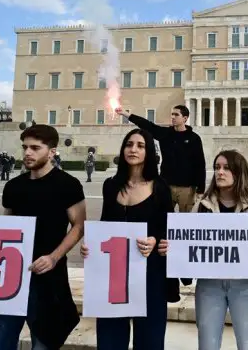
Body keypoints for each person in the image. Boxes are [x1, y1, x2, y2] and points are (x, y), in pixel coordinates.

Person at [0, 124, 87, 350]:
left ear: (52, 152)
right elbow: (3, 228)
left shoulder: (68, 185)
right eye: (25, 147)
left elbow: (79, 227)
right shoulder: (14, 187)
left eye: (35, 148)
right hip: (10, 276)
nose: (27, 153)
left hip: (46, 278)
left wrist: (54, 257)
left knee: (44, 342)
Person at [159, 150, 248, 350]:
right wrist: (173, 248)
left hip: (245, 285)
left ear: (239, 172)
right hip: (209, 285)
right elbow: (188, 241)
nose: (220, 172)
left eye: (227, 168)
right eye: (217, 167)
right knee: (207, 344)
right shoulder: (201, 206)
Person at [81, 128, 173, 349]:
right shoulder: (111, 185)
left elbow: (168, 229)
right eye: (129, 144)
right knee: (110, 339)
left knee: (149, 340)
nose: (133, 149)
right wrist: (91, 245)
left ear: (149, 152)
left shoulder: (161, 188)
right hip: (114, 275)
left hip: (150, 273)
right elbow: (105, 224)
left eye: (140, 146)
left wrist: (155, 240)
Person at [116, 105, 206, 212]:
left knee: (184, 221)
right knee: (162, 218)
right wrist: (126, 114)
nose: (173, 117)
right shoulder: (165, 134)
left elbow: (200, 163)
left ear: (185, 118)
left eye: (176, 114)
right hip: (166, 185)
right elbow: (147, 125)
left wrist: (200, 189)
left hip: (187, 188)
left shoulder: (194, 138)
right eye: (172, 114)